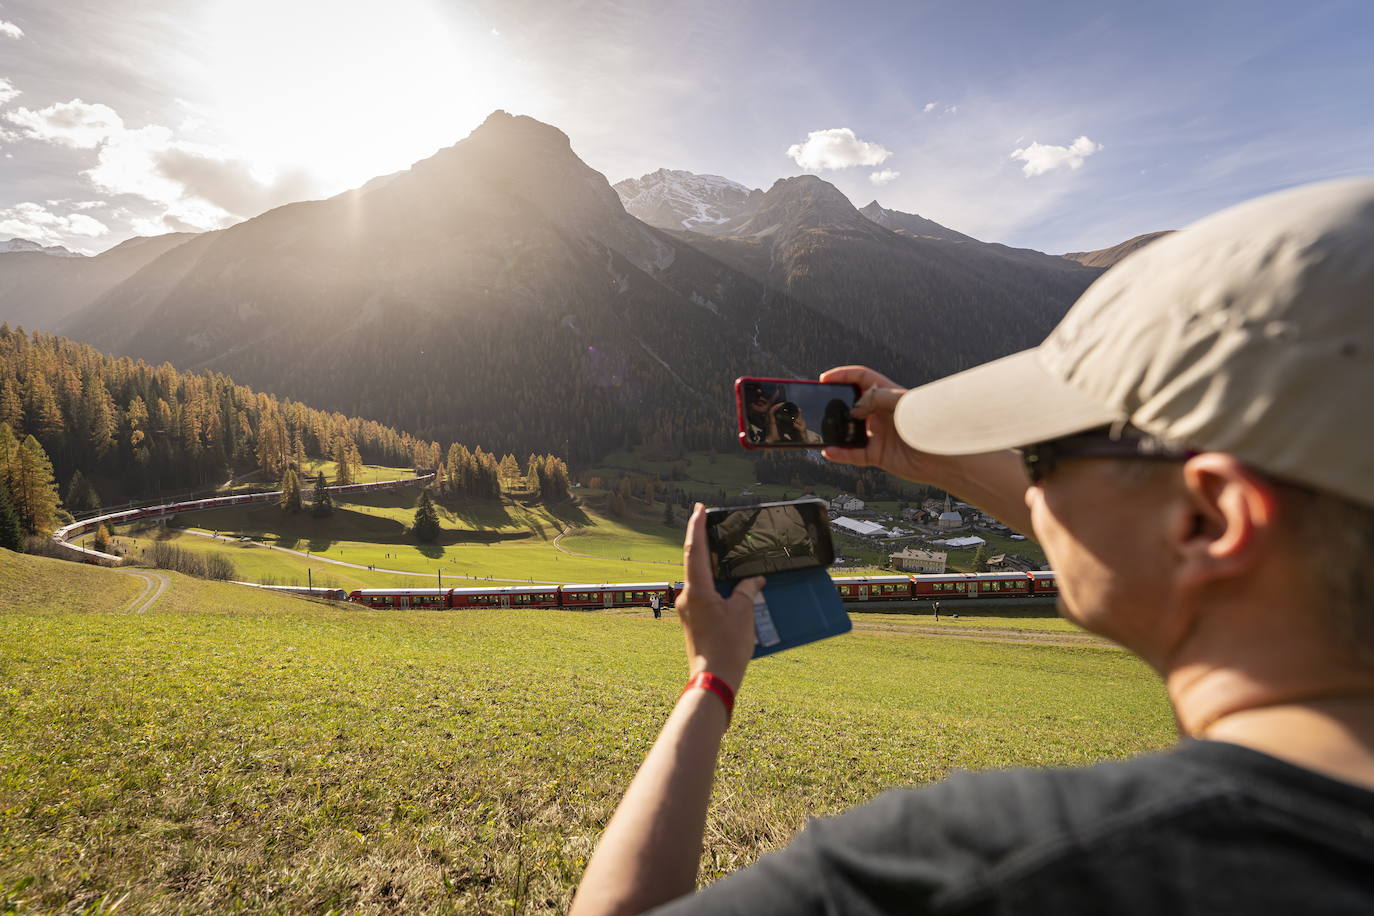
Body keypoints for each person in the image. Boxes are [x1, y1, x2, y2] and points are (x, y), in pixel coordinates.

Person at [569, 178, 1374, 915]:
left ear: (1208, 522)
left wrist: (712, 679)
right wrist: (923, 453)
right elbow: (1104, 529)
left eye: (1050, 449)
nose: (1039, 486)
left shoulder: (1000, 866)